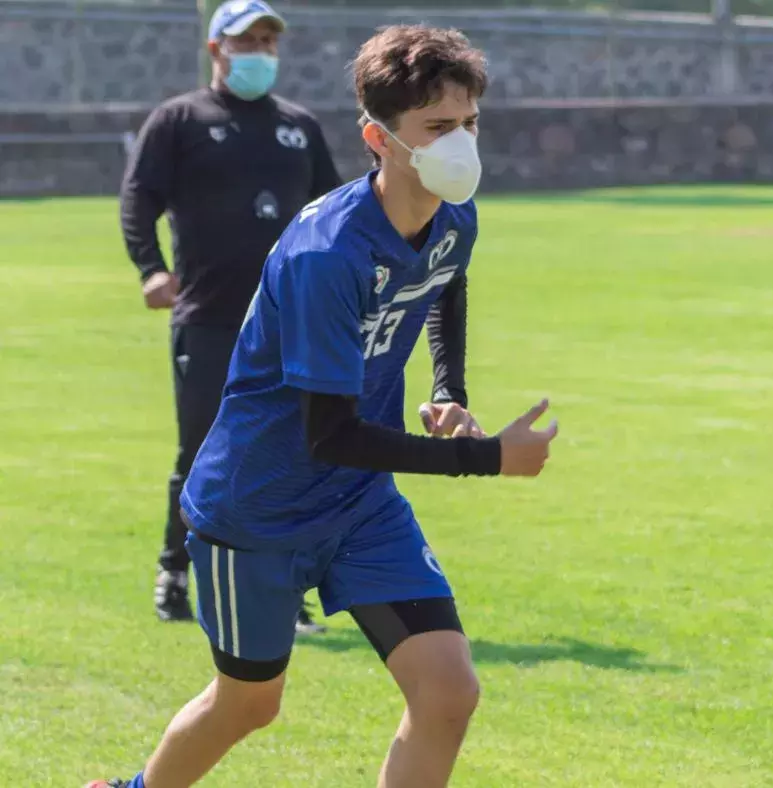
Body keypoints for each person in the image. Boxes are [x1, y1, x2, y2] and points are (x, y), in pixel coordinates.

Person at [87, 24, 560, 788]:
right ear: (379, 137)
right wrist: (487, 458)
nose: (461, 144)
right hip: (257, 510)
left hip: (359, 507)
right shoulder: (325, 256)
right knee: (248, 704)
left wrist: (448, 390)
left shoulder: (452, 213)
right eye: (437, 128)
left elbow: (446, 282)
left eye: (470, 123)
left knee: (448, 692)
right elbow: (331, 433)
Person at [119, 0, 341, 632]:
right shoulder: (180, 120)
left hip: (287, 324)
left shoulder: (300, 126)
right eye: (249, 40)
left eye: (270, 39)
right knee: (203, 453)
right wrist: (150, 269)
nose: (262, 51)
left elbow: (331, 217)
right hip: (211, 317)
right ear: (217, 49)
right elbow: (138, 199)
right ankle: (176, 574)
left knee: (291, 453)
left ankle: (281, 590)